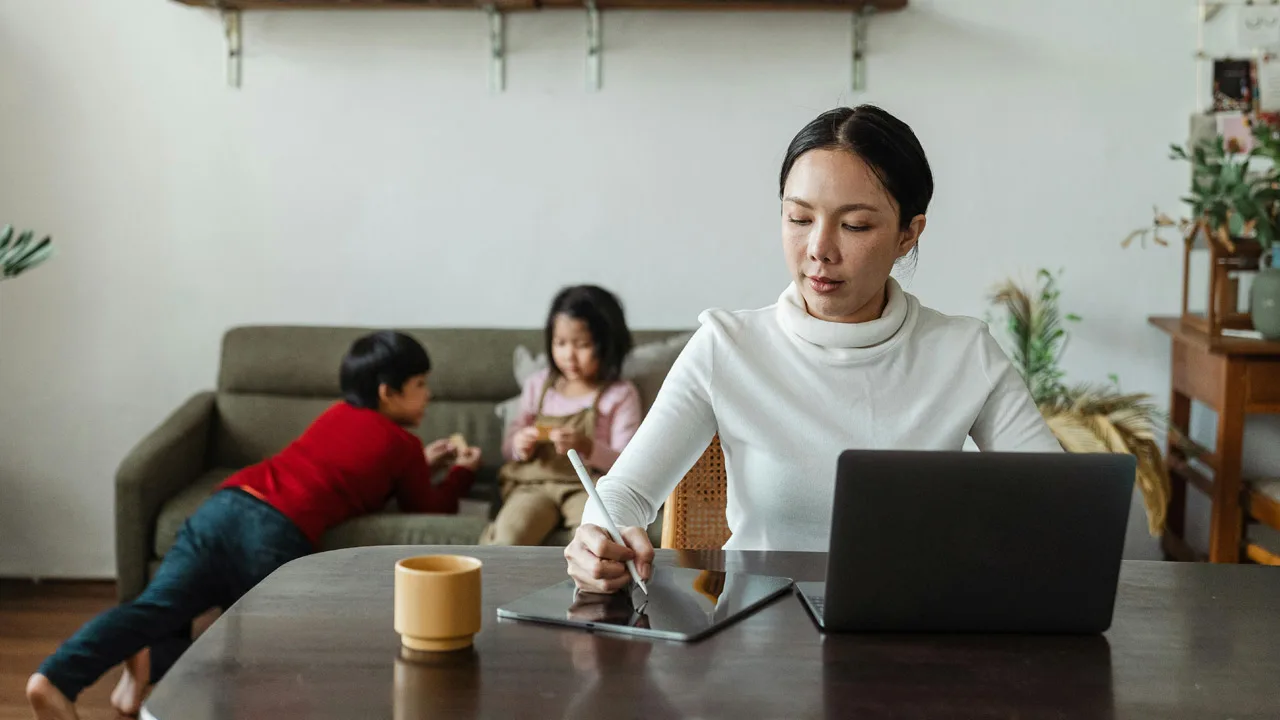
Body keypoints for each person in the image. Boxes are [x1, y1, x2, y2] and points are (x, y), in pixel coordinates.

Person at [564, 105, 1063, 593]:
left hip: (913, 637)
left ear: (909, 234)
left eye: (855, 226)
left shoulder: (962, 352)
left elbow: (1058, 501)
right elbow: (625, 492)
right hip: (760, 644)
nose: (819, 249)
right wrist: (599, 537)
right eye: (799, 218)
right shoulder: (727, 346)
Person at [27, 330, 481, 720]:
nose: (430, 395)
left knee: (160, 606)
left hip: (226, 504)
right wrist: (462, 470)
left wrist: (423, 461)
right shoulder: (402, 443)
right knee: (269, 649)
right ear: (388, 392)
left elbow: (346, 466)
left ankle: (58, 677)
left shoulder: (336, 415)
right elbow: (430, 506)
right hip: (273, 532)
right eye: (421, 384)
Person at [480, 285, 643, 546]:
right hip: (534, 484)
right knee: (508, 537)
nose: (569, 355)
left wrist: (587, 446)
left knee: (596, 541)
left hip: (587, 487)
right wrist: (520, 445)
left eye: (583, 345)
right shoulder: (538, 385)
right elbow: (509, 448)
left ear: (607, 344)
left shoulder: (620, 394)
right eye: (560, 343)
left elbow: (627, 463)